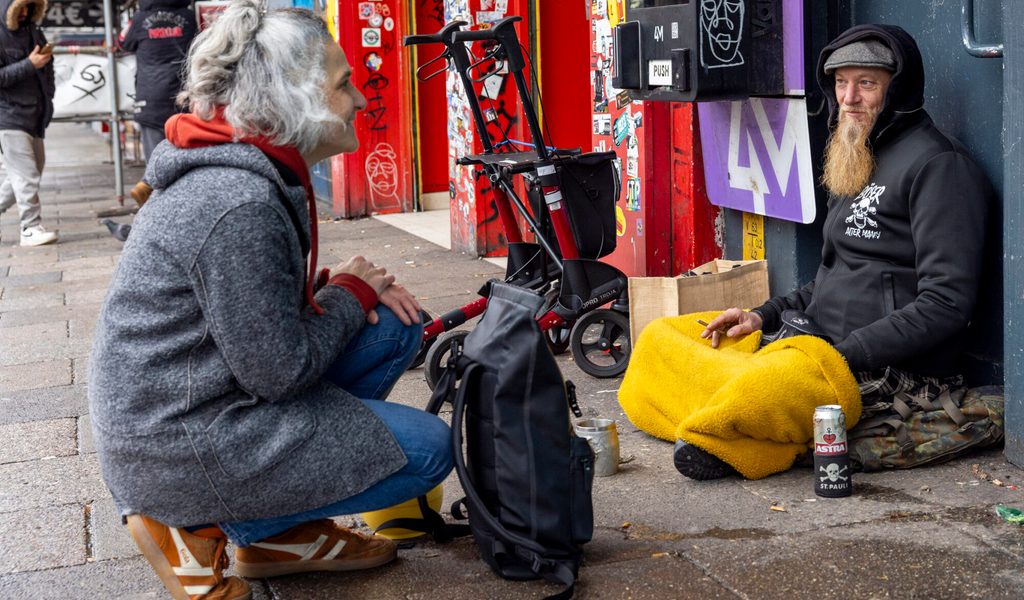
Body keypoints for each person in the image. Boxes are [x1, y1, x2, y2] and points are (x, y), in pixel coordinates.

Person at [88, 3, 451, 599]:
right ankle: (200, 525)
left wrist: (342, 295)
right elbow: (280, 372)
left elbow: (247, 325)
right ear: (290, 100)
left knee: (389, 326)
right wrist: (347, 292)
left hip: (194, 405)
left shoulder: (247, 174)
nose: (359, 99)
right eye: (343, 85)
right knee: (427, 450)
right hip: (180, 440)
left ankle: (279, 534)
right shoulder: (237, 203)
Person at [675, 24, 993, 479]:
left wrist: (845, 354)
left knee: (768, 383)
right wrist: (760, 316)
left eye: (866, 83)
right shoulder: (855, 155)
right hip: (818, 344)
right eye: (842, 82)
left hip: (885, 366)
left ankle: (733, 437)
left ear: (897, 90)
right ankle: (725, 426)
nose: (849, 98)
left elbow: (947, 304)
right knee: (669, 339)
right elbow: (827, 278)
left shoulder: (939, 166)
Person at [118, 0, 198, 206]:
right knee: (184, 153)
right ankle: (181, 203)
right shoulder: (188, 17)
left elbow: (122, 42)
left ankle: (155, 199)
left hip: (150, 97)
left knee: (154, 157)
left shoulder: (139, 18)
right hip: (182, 97)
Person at [0, 0, 58, 246]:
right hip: (8, 115)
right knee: (26, 175)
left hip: (35, 115)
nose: (25, 12)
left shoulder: (33, 30)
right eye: (21, 7)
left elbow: (47, 66)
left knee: (21, 176)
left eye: (29, 7)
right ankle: (30, 228)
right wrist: (29, 65)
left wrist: (49, 89)